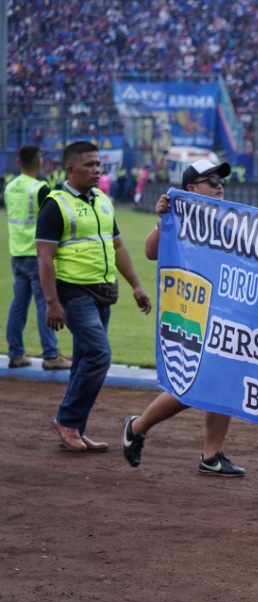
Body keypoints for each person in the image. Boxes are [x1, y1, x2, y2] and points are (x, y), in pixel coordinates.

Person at [121, 159, 258, 476]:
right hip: (197, 311)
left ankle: (211, 456)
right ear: (191, 189)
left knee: (223, 380)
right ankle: (137, 426)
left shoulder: (232, 219)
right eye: (210, 180)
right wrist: (163, 219)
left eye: (220, 179)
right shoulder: (179, 215)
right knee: (198, 382)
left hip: (229, 314)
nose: (219, 184)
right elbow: (150, 252)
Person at [35, 141, 152, 452]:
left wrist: (137, 286)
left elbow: (118, 247)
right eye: (89, 165)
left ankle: (74, 428)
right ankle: (67, 421)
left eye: (98, 164)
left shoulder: (102, 200)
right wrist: (52, 302)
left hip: (103, 292)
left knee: (85, 360)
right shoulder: (55, 204)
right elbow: (44, 258)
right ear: (70, 170)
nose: (97, 170)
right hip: (73, 292)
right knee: (100, 355)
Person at [5, 145, 72, 371]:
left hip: (17, 253)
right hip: (37, 255)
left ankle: (15, 353)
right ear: (40, 162)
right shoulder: (41, 189)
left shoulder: (10, 186)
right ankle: (51, 355)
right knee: (46, 304)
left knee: (18, 305)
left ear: (18, 163)